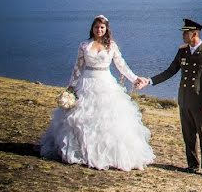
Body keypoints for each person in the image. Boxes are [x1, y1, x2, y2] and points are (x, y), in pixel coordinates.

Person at [40, 15, 154, 170]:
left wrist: (134, 79)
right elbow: (78, 67)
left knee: (109, 120)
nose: (99, 30)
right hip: (86, 83)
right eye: (96, 27)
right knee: (80, 118)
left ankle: (109, 155)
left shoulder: (111, 46)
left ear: (106, 29)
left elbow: (121, 65)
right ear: (92, 29)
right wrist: (71, 87)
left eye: (102, 27)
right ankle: (81, 152)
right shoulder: (84, 45)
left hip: (105, 82)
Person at [137, 18, 202, 178]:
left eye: (185, 33)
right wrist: (150, 80)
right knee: (188, 133)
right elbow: (171, 70)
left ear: (194, 34)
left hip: (200, 99)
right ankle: (192, 165)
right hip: (184, 98)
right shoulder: (183, 51)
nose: (183, 35)